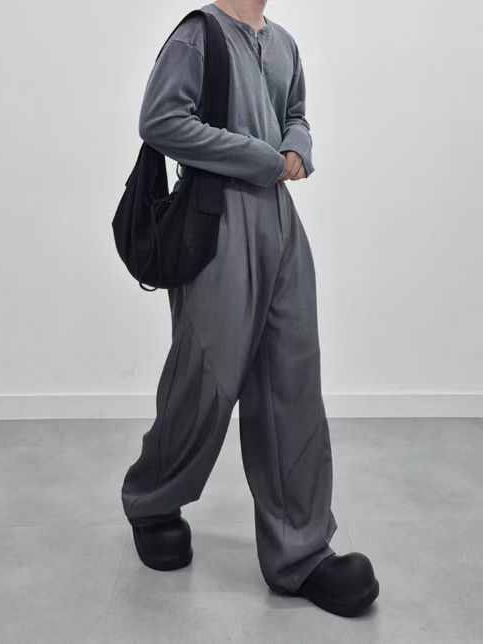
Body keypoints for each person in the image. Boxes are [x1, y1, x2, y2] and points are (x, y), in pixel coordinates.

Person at [121, 0, 379, 617]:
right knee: (205, 380)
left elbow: (296, 114)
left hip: (281, 224)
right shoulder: (198, 34)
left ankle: (300, 552)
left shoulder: (284, 42)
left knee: (292, 380)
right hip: (215, 221)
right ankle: (153, 500)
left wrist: (298, 147)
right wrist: (264, 158)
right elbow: (160, 121)